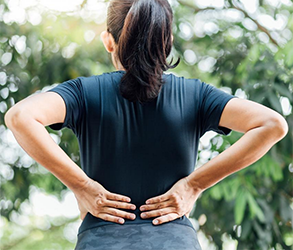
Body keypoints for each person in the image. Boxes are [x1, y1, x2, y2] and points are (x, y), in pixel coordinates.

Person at [4, 0, 288, 249]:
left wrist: (82, 187)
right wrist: (194, 185)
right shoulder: (196, 95)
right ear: (168, 40)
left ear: (108, 41)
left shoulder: (83, 93)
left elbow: (20, 117)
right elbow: (272, 124)